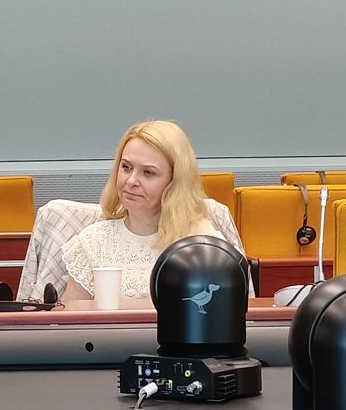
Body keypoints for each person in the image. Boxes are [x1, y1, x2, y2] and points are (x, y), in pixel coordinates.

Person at [59, 120, 244, 304]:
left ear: (174, 182)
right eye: (126, 167)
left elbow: (233, 318)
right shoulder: (92, 242)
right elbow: (71, 327)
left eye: (148, 173)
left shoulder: (205, 246)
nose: (131, 180)